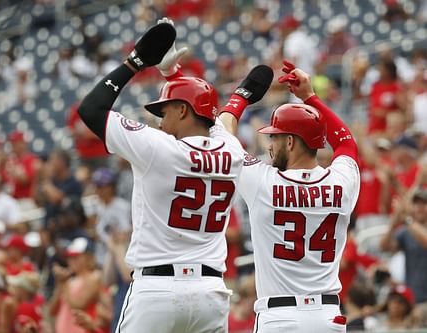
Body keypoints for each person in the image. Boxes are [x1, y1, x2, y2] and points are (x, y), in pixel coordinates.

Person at [77, 20, 244, 332]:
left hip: (157, 290)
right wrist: (173, 76)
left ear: (181, 111)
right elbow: (212, 118)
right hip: (211, 293)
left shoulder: (158, 147)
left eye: (164, 113)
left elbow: (91, 109)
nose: (160, 122)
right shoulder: (232, 150)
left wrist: (135, 62)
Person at [217, 60, 360, 332]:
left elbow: (221, 136)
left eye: (275, 138)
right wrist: (311, 98)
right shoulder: (342, 182)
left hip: (280, 317)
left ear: (291, 142)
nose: (270, 145)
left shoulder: (263, 182)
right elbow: (344, 141)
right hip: (328, 317)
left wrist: (239, 98)